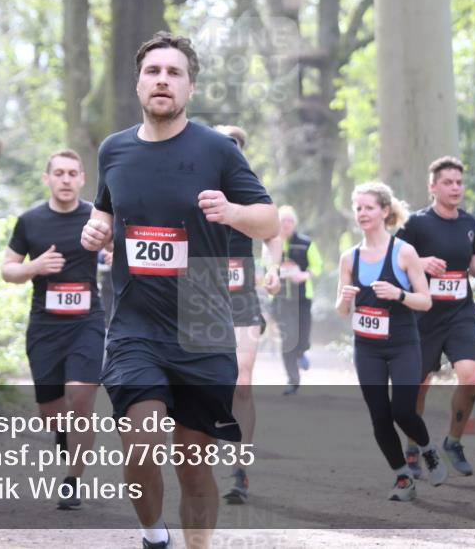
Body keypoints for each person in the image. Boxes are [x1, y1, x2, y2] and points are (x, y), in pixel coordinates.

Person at [80, 32, 278, 549]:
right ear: (138, 83)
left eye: (174, 73)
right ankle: (153, 535)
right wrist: (95, 228)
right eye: (153, 71)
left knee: (193, 469)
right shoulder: (114, 150)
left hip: (202, 327)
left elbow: (268, 217)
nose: (162, 80)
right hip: (135, 326)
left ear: (190, 87)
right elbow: (105, 208)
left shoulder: (216, 150)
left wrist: (233, 212)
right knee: (141, 444)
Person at [1, 149, 104, 510]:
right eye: (58, 173)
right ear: (47, 179)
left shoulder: (96, 217)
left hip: (88, 322)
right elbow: (7, 270)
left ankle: (73, 480)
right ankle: (64, 436)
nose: (65, 179)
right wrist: (36, 267)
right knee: (52, 411)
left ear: (81, 179)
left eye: (72, 173)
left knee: (81, 397)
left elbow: (120, 252)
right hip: (45, 326)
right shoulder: (30, 222)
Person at [336, 182, 447, 501]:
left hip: (402, 344)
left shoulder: (404, 252)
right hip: (367, 347)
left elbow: (425, 301)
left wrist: (398, 294)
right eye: (358, 208)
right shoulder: (350, 258)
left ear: (385, 211)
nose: (362, 213)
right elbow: (342, 311)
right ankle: (402, 477)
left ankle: (428, 450)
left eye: (369, 207)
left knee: (403, 410)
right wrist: (344, 299)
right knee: (379, 414)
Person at [397, 156, 475, 478]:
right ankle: (412, 449)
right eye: (448, 182)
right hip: (423, 315)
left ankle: (453, 442)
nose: (455, 188)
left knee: (470, 376)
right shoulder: (415, 224)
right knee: (419, 387)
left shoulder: (469, 223)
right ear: (432, 187)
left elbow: (472, 258)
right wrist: (421, 263)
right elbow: (396, 261)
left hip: (460, 313)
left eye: (459, 182)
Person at [213, 125, 281, 505]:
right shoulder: (195, 192)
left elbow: (272, 233)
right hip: (199, 299)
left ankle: (240, 469)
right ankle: (200, 456)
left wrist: (274, 267)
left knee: (241, 380)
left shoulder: (251, 195)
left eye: (235, 147)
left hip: (241, 300)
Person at [272, 206, 322, 395]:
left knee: (302, 337)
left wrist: (304, 275)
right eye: (282, 220)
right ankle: (292, 380)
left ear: (294, 223)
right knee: (287, 339)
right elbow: (266, 265)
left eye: (289, 221)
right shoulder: (272, 243)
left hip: (302, 297)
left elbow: (318, 266)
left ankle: (302, 351)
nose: (286, 224)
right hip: (280, 299)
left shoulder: (305, 243)